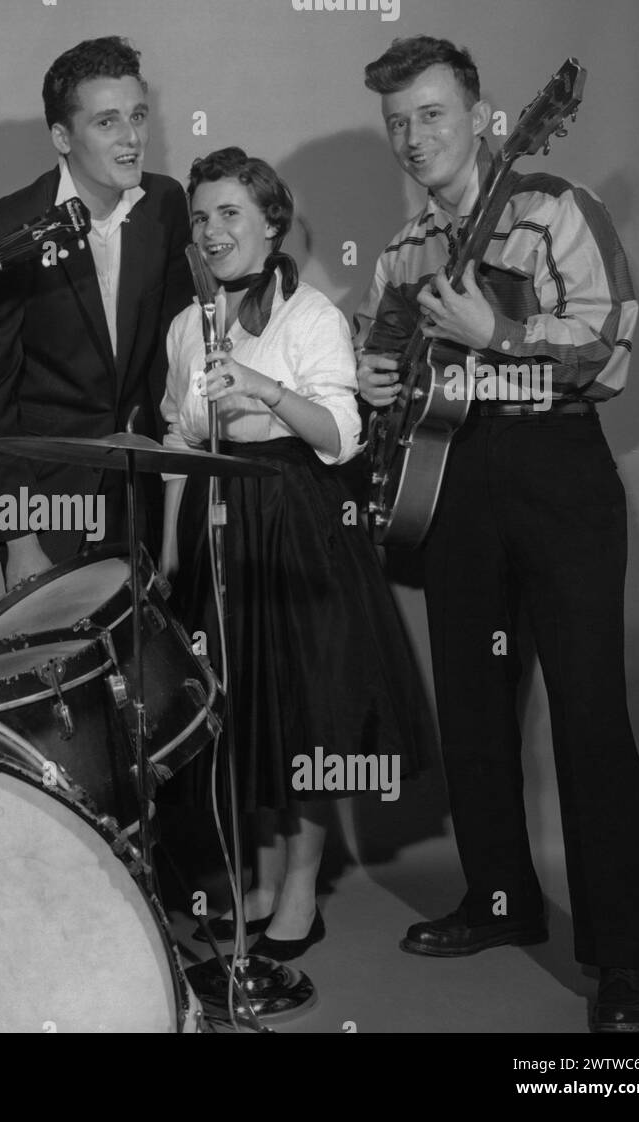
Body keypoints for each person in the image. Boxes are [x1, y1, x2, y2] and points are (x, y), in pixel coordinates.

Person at [355, 36, 639, 1031]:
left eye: (432, 114)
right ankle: (499, 899)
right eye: (398, 121)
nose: (414, 137)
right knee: (474, 713)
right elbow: (391, 379)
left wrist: (501, 341)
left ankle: (622, 967)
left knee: (587, 723)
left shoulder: (553, 208)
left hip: (556, 476)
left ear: (487, 118)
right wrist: (375, 385)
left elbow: (609, 351)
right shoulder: (403, 253)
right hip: (453, 488)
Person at [160, 148, 430, 960]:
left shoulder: (308, 315)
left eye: (231, 214)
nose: (212, 231)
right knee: (242, 713)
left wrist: (264, 387)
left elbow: (342, 435)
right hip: (214, 526)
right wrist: (172, 551)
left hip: (297, 524)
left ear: (272, 223)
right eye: (201, 217)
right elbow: (179, 433)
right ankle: (268, 879)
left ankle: (303, 890)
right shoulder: (184, 326)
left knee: (303, 713)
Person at [0, 36, 192, 589]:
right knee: (60, 658)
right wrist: (21, 537)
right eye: (107, 122)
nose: (132, 138)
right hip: (50, 498)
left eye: (137, 116)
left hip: (143, 488)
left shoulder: (165, 204)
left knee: (150, 659)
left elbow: (172, 355)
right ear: (62, 136)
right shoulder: (6, 227)